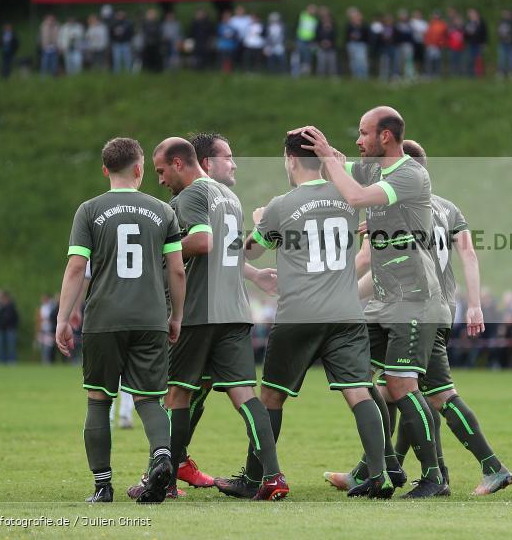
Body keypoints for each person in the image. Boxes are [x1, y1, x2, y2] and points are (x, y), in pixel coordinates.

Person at [329, 139, 512, 496]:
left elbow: (369, 260)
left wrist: (334, 294)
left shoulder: (394, 204)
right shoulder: (448, 208)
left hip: (407, 306)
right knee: (427, 392)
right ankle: (477, 467)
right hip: (437, 307)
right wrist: (473, 304)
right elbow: (468, 254)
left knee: (388, 384)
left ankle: (398, 469)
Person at [298, 107, 447, 498]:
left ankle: (434, 477)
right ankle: (385, 467)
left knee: (402, 385)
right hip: (385, 301)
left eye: (364, 133)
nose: (358, 140)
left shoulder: (409, 173)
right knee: (359, 377)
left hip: (414, 299)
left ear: (386, 136)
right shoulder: (374, 170)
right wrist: (322, 150)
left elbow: (355, 195)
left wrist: (330, 158)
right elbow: (340, 169)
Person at [239, 132, 392, 499]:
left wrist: (260, 222)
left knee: (271, 397)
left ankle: (256, 478)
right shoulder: (347, 196)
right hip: (346, 313)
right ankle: (380, 474)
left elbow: (250, 252)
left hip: (299, 313)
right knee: (359, 392)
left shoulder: (281, 205)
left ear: (290, 160)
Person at [148, 137, 287, 501]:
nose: (160, 180)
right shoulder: (230, 198)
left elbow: (203, 242)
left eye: (161, 171)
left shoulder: (192, 195)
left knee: (177, 393)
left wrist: (158, 250)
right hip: (235, 312)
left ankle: (165, 483)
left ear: (179, 163)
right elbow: (228, 251)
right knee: (245, 396)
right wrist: (255, 275)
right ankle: (273, 476)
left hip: (197, 312)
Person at [55, 137, 186, 504]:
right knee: (149, 400)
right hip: (150, 318)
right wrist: (176, 316)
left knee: (99, 400)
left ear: (105, 170)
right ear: (140, 169)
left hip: (104, 319)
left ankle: (103, 486)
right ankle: (162, 456)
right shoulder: (163, 212)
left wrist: (63, 318)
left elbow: (77, 268)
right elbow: (176, 270)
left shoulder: (89, 211)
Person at [344, 7, 369, 80]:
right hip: (351, 44)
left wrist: (359, 26)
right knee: (353, 61)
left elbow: (367, 34)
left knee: (361, 60)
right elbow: (347, 34)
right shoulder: (349, 25)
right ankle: (356, 76)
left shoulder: (364, 25)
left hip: (361, 44)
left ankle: (363, 76)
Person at [0, 290, 19, 364]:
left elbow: (16, 317)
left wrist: (13, 326)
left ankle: (12, 360)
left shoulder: (11, 306)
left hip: (10, 329)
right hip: (1, 329)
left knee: (11, 346)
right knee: (1, 346)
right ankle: (2, 361)